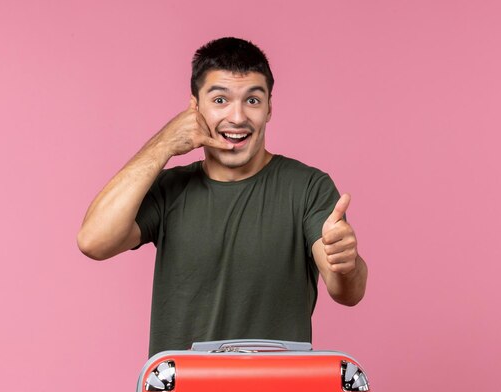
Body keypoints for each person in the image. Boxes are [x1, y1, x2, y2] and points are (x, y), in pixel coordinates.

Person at [77, 37, 368, 357]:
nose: (238, 117)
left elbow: (348, 292)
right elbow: (93, 241)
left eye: (253, 101)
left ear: (270, 107)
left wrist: (346, 262)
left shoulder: (308, 187)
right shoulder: (169, 189)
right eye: (220, 100)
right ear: (195, 107)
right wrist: (164, 144)